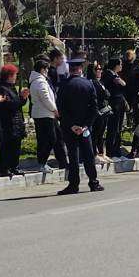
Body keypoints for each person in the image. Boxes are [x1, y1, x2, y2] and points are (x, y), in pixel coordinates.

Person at [55, 58, 103, 194]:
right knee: (88, 155)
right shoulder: (88, 84)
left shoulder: (64, 85)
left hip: (69, 127)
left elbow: (61, 108)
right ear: (80, 69)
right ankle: (93, 182)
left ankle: (73, 184)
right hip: (85, 128)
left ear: (70, 70)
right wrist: (85, 125)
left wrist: (71, 125)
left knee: (73, 155)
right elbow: (94, 108)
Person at [29, 60, 63, 174]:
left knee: (50, 138)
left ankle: (50, 162)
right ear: (43, 69)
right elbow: (46, 98)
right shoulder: (40, 82)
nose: (48, 71)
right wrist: (55, 109)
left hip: (44, 114)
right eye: (46, 69)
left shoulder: (38, 80)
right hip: (45, 114)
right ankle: (42, 162)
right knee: (50, 139)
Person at [0, 65, 28, 175]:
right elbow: (8, 104)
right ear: (9, 76)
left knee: (16, 146)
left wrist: (23, 98)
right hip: (7, 122)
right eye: (14, 75)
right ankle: (5, 168)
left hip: (16, 121)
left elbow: (17, 103)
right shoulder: (1, 88)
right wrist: (19, 99)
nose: (15, 77)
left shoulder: (11, 87)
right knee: (7, 146)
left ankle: (15, 167)